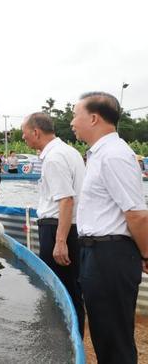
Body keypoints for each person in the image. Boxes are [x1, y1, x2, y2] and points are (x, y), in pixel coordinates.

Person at [71, 91, 148, 363]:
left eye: (75, 115)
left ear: (93, 118)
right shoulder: (99, 154)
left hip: (110, 256)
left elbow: (137, 214)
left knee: (114, 340)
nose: (71, 122)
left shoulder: (114, 155)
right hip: (98, 254)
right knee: (105, 334)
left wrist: (146, 254)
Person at [21, 112, 85, 336]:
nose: (24, 137)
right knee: (72, 289)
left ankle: (62, 340)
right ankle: (71, 337)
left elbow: (66, 200)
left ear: (36, 132)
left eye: (25, 133)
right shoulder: (68, 152)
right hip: (69, 228)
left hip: (59, 229)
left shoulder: (54, 157)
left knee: (60, 290)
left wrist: (60, 241)